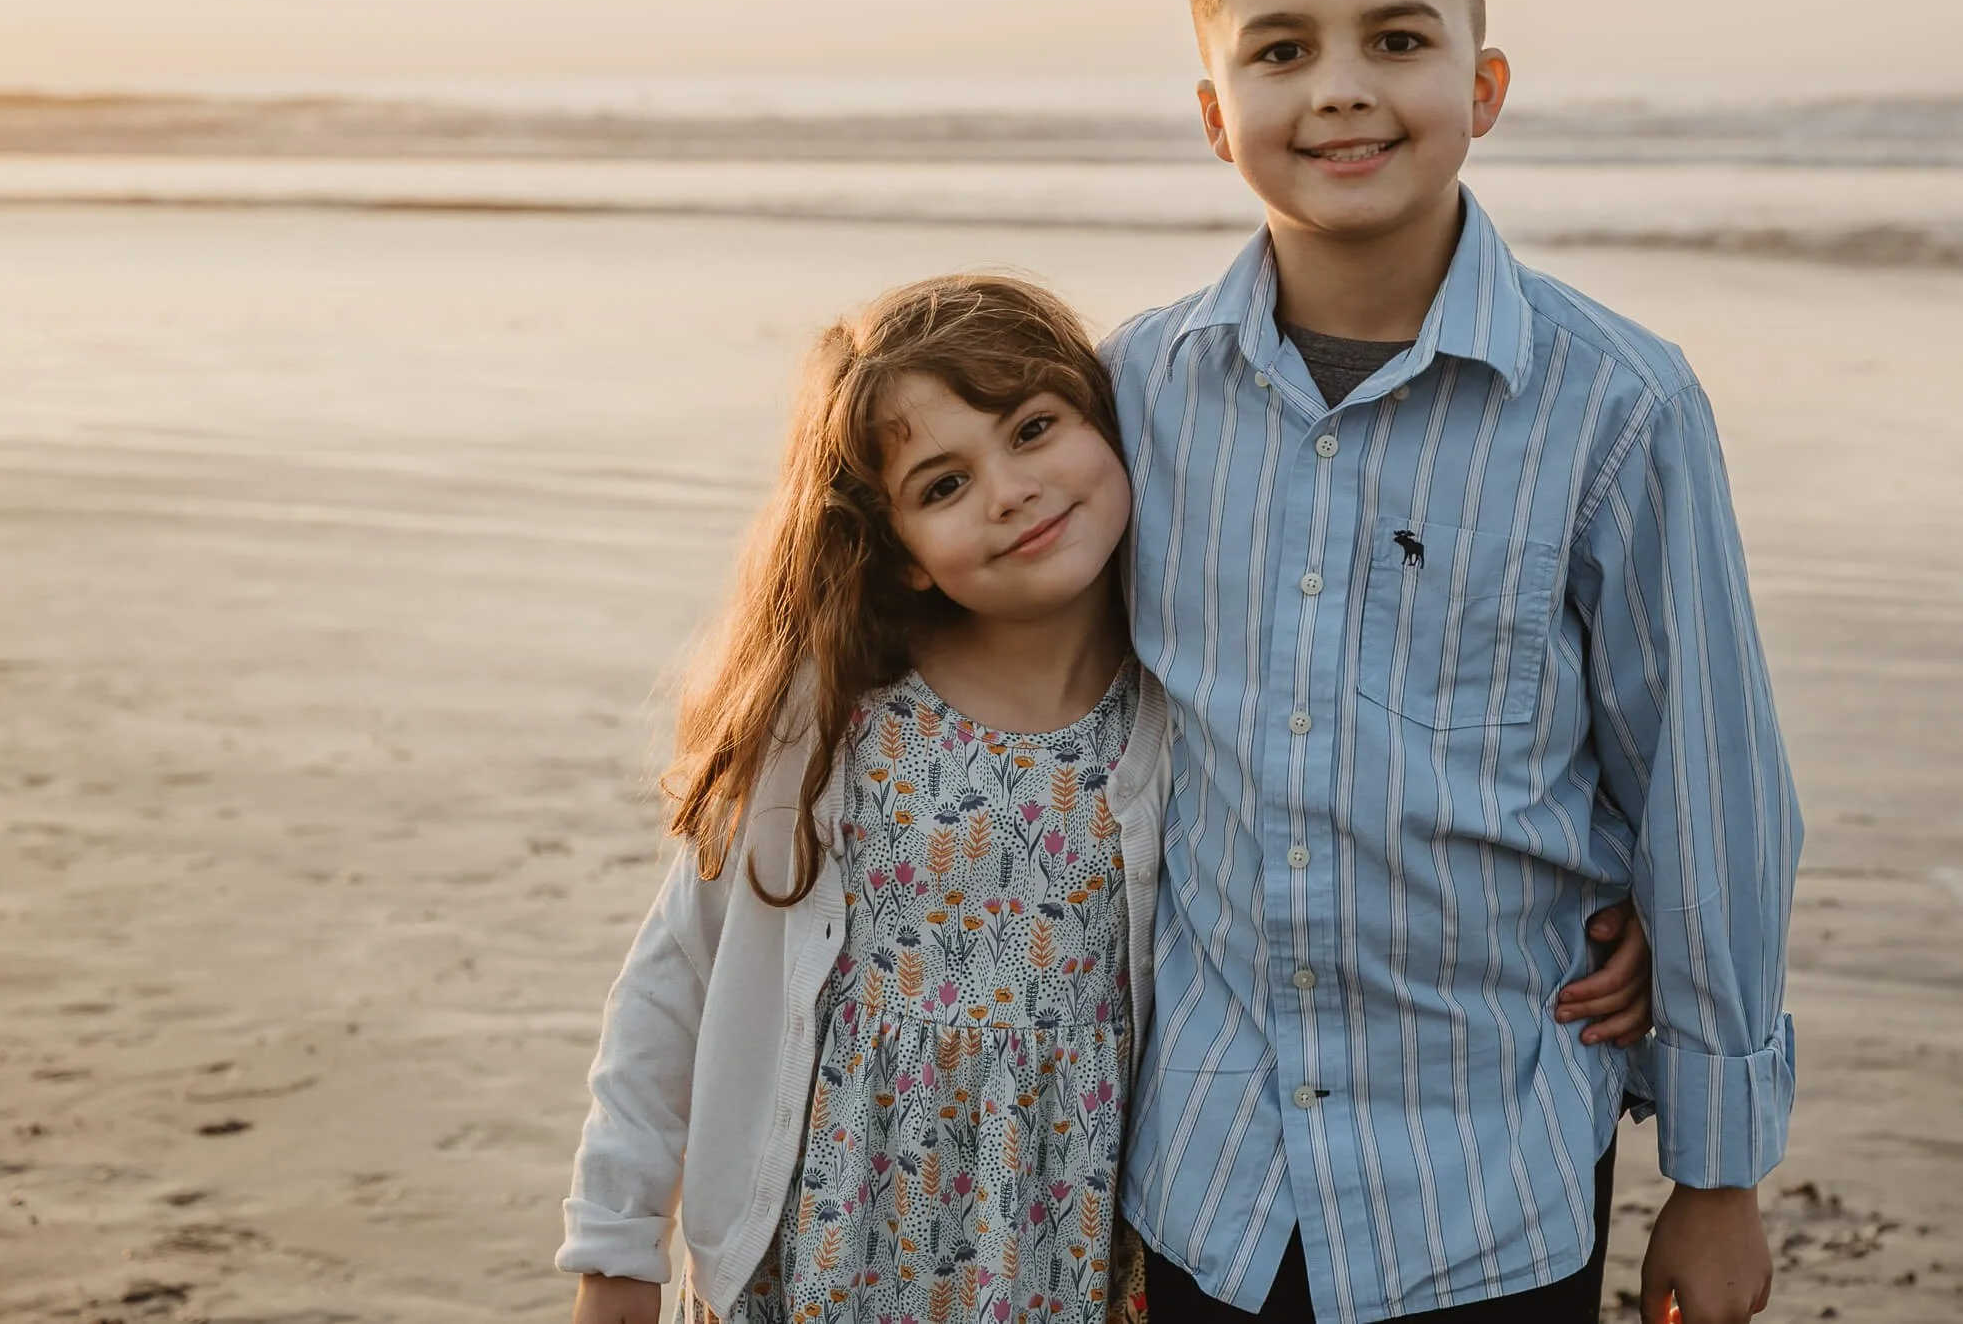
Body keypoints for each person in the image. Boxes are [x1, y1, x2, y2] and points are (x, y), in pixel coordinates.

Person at [555, 275, 1659, 1324]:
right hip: (834, 1243)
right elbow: (677, 976)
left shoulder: (1183, 705)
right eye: (942, 484)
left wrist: (1598, 900)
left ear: (1112, 425)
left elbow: (1366, 820)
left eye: (1033, 427)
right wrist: (614, 1237)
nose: (1010, 488)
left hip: (1070, 1246)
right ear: (900, 558)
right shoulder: (835, 715)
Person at [1104, 0, 1803, 1324]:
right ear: (1218, 116)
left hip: (1482, 1181)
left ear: (1483, 87)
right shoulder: (1137, 392)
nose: (1342, 87)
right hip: (1206, 1171)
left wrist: (1720, 1168)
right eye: (1282, 50)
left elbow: (1710, 783)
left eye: (1399, 39)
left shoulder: (1618, 405)